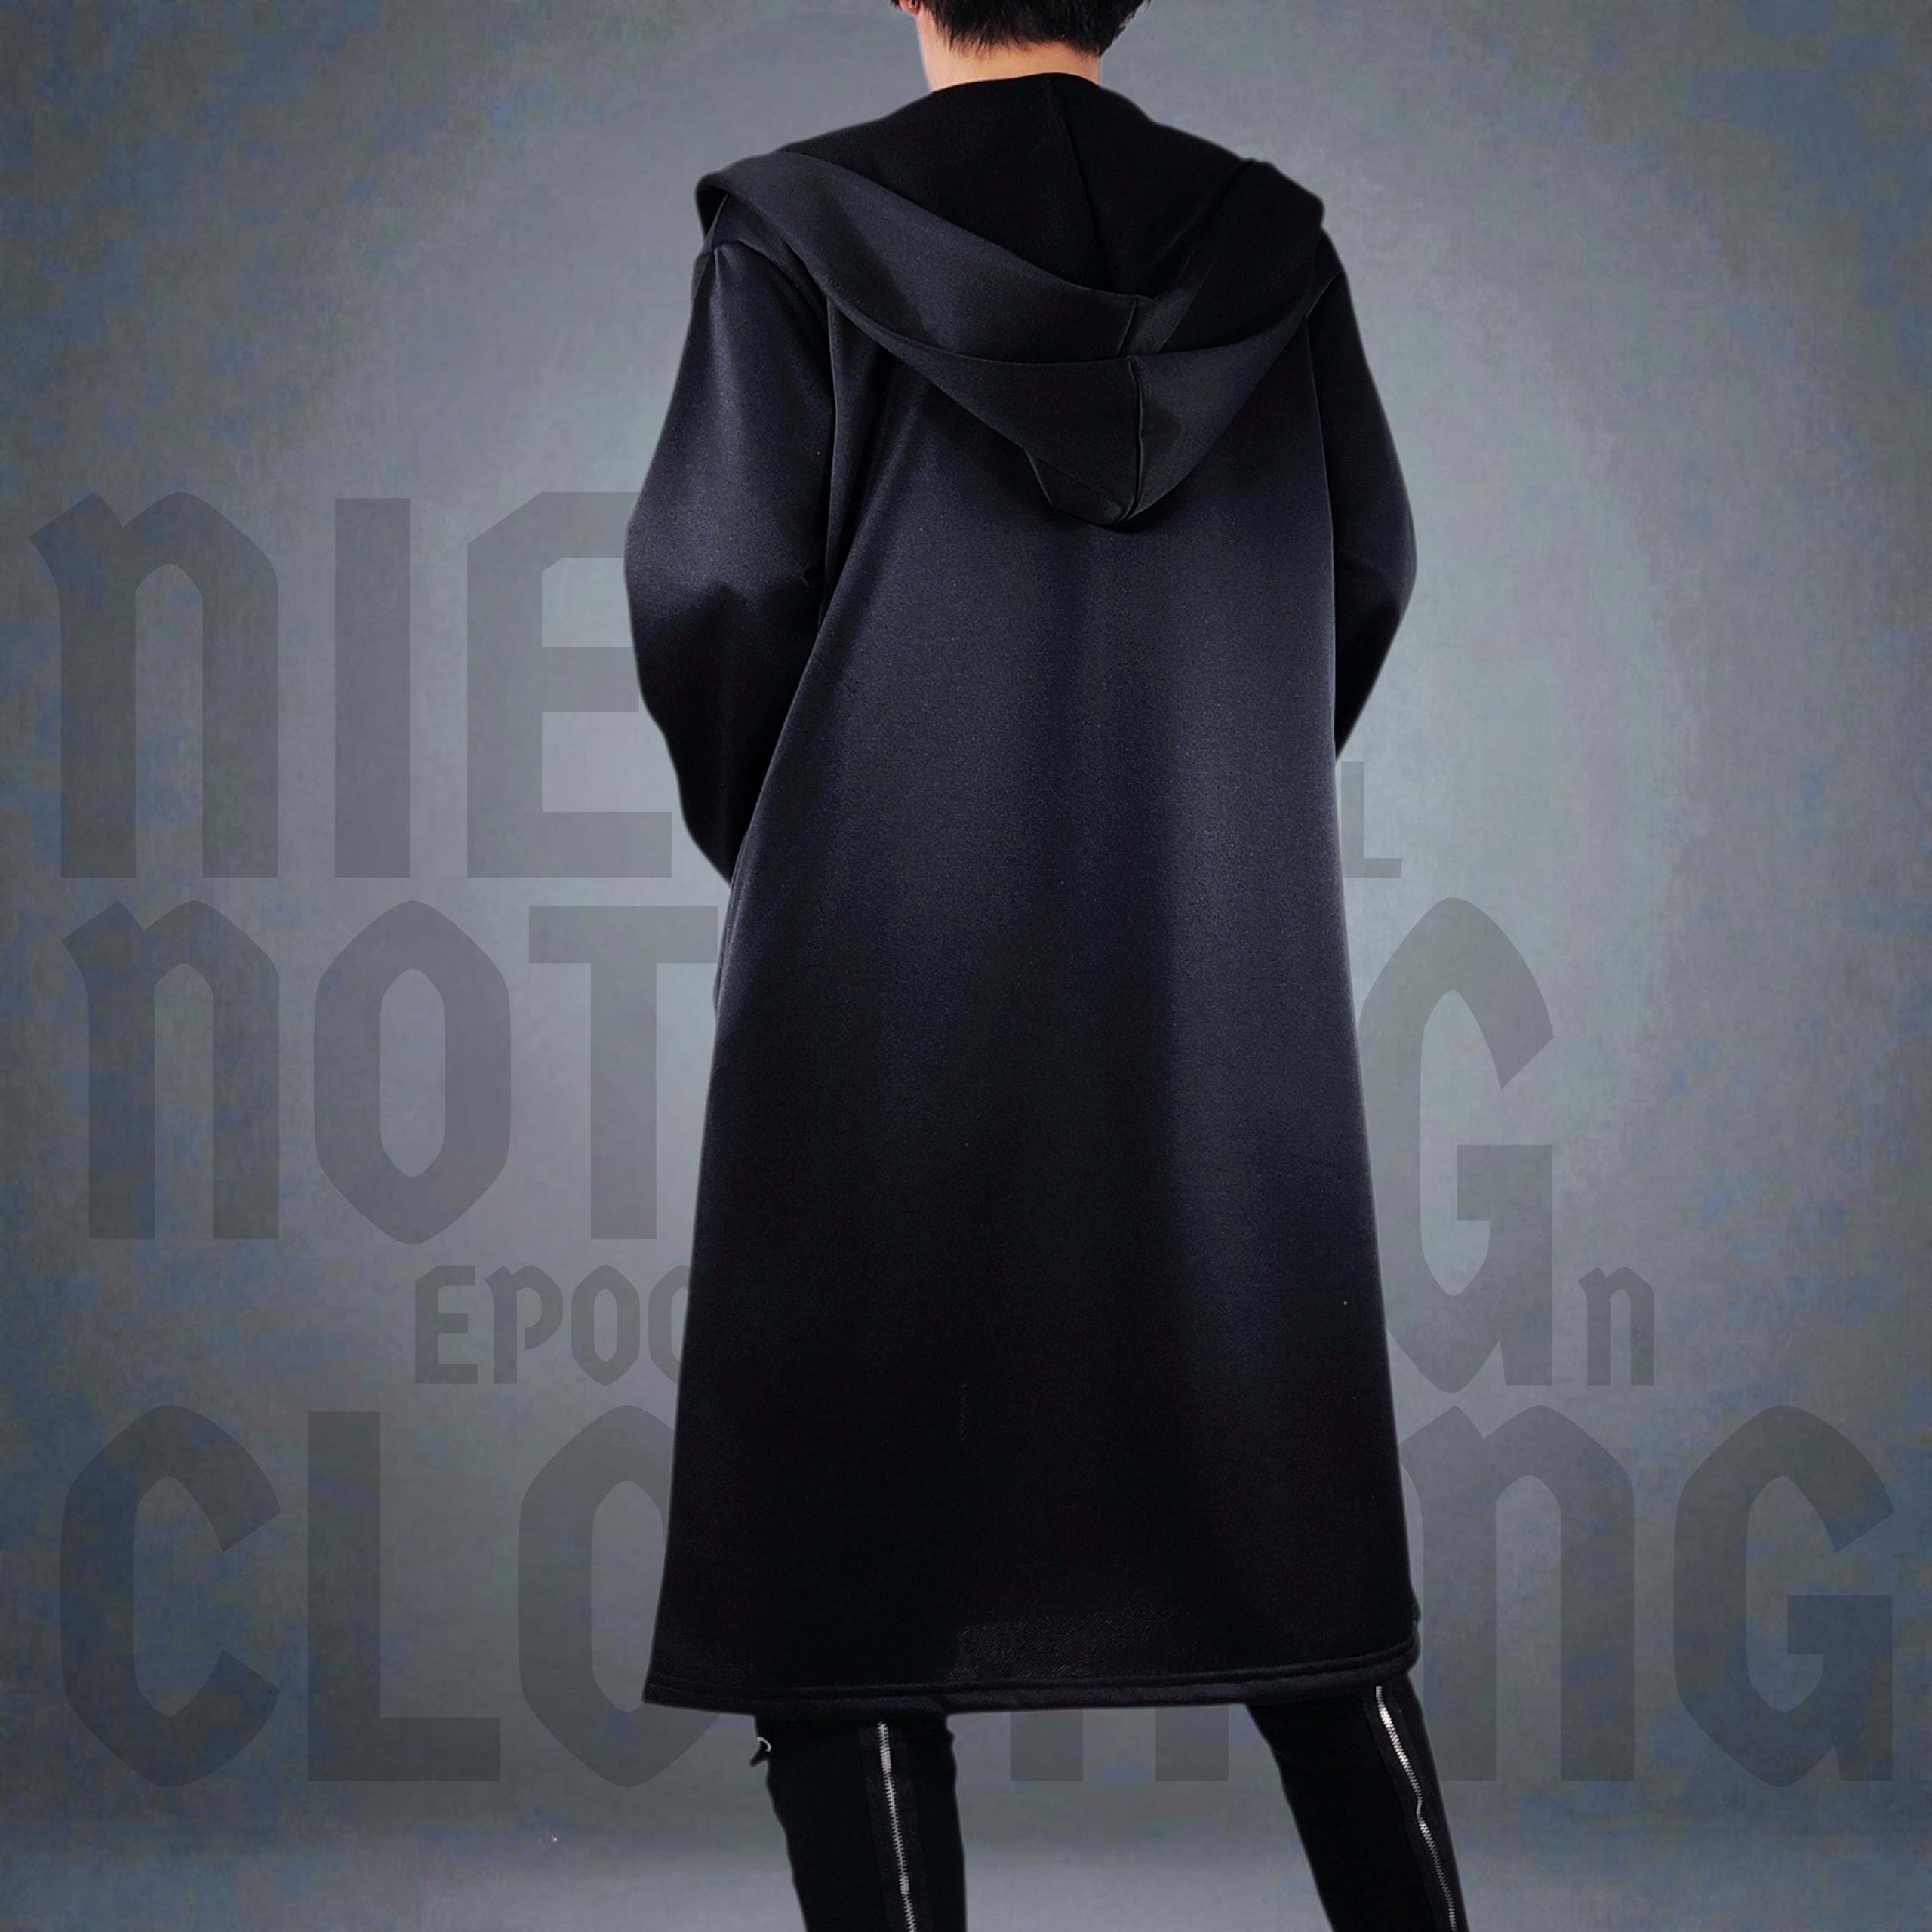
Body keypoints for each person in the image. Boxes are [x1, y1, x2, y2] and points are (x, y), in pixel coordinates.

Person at [623, 1, 1470, 1925]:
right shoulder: (1270, 248)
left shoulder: (790, 234)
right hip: (1217, 969)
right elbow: (1363, 565)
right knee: (1287, 1517)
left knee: (841, 1547)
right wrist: (1218, 799)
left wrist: (803, 830)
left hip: (873, 967)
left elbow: (717, 578)